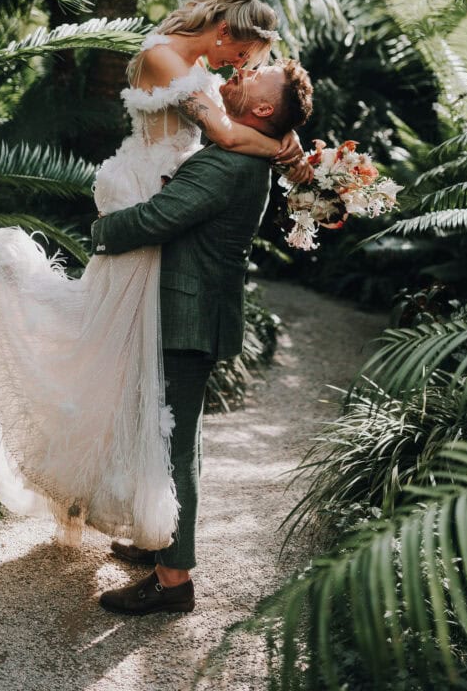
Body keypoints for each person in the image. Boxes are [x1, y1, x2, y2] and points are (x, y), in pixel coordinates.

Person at [0, 0, 312, 551]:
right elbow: (222, 132)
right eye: (241, 54)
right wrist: (284, 151)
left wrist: (286, 149)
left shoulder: (200, 82)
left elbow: (223, 136)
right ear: (222, 33)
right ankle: (160, 542)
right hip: (149, 193)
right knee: (135, 388)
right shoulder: (170, 60)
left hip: (162, 204)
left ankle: (167, 555)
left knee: (159, 414)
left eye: (247, 64)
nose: (237, 68)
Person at [94, 59, 314, 615]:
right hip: (196, 314)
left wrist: (100, 228)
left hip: (186, 319)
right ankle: (161, 540)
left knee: (172, 447)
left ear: (263, 110)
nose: (237, 75)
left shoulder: (227, 168)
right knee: (173, 437)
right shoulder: (242, 154)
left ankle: (173, 582)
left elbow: (153, 221)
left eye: (252, 77)